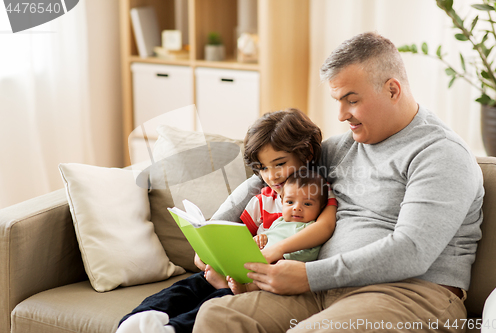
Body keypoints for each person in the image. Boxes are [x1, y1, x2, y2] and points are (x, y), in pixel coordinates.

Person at [193, 32, 484, 333]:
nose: (341, 114)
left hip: (410, 294)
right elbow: (269, 182)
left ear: (393, 90)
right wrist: (211, 232)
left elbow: (411, 251)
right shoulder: (342, 148)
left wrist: (309, 276)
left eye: (352, 100)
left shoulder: (441, 154)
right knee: (218, 316)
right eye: (337, 101)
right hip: (326, 289)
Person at [116, 108, 337, 333]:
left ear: (307, 153)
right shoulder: (262, 198)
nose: (271, 176)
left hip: (269, 277)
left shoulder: (316, 194)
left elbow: (324, 226)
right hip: (241, 267)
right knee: (188, 286)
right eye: (262, 168)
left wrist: (274, 250)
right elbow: (234, 230)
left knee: (220, 299)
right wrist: (207, 247)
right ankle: (137, 320)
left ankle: (172, 329)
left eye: (279, 164)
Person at [228, 170, 331, 294]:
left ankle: (247, 289)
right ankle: (226, 281)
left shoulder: (309, 229)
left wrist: (283, 257)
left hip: (280, 266)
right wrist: (260, 239)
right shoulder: (279, 221)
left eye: (307, 203)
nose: (296, 207)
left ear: (321, 207)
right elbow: (269, 236)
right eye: (290, 202)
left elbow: (310, 253)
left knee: (268, 271)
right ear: (282, 201)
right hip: (261, 258)